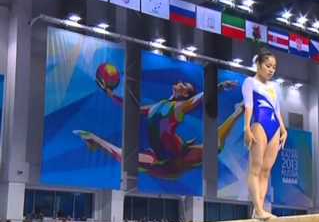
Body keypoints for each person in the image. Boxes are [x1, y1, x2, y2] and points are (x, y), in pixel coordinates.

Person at [74, 70, 242, 180]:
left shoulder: (180, 107)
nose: (180, 83)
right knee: (128, 159)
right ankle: (95, 141)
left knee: (216, 145)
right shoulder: (158, 106)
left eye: (185, 85)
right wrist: (111, 95)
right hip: (159, 159)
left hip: (179, 157)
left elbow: (199, 99)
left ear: (184, 93)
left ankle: (237, 112)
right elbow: (134, 110)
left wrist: (220, 86)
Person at [242, 49, 287, 220]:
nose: (271, 70)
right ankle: (259, 209)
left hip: (274, 127)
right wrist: (247, 127)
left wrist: (283, 129)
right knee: (256, 169)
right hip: (259, 124)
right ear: (259, 65)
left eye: (274, 67)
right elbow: (249, 106)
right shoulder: (249, 82)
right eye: (268, 66)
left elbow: (276, 110)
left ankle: (258, 210)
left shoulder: (274, 87)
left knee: (266, 171)